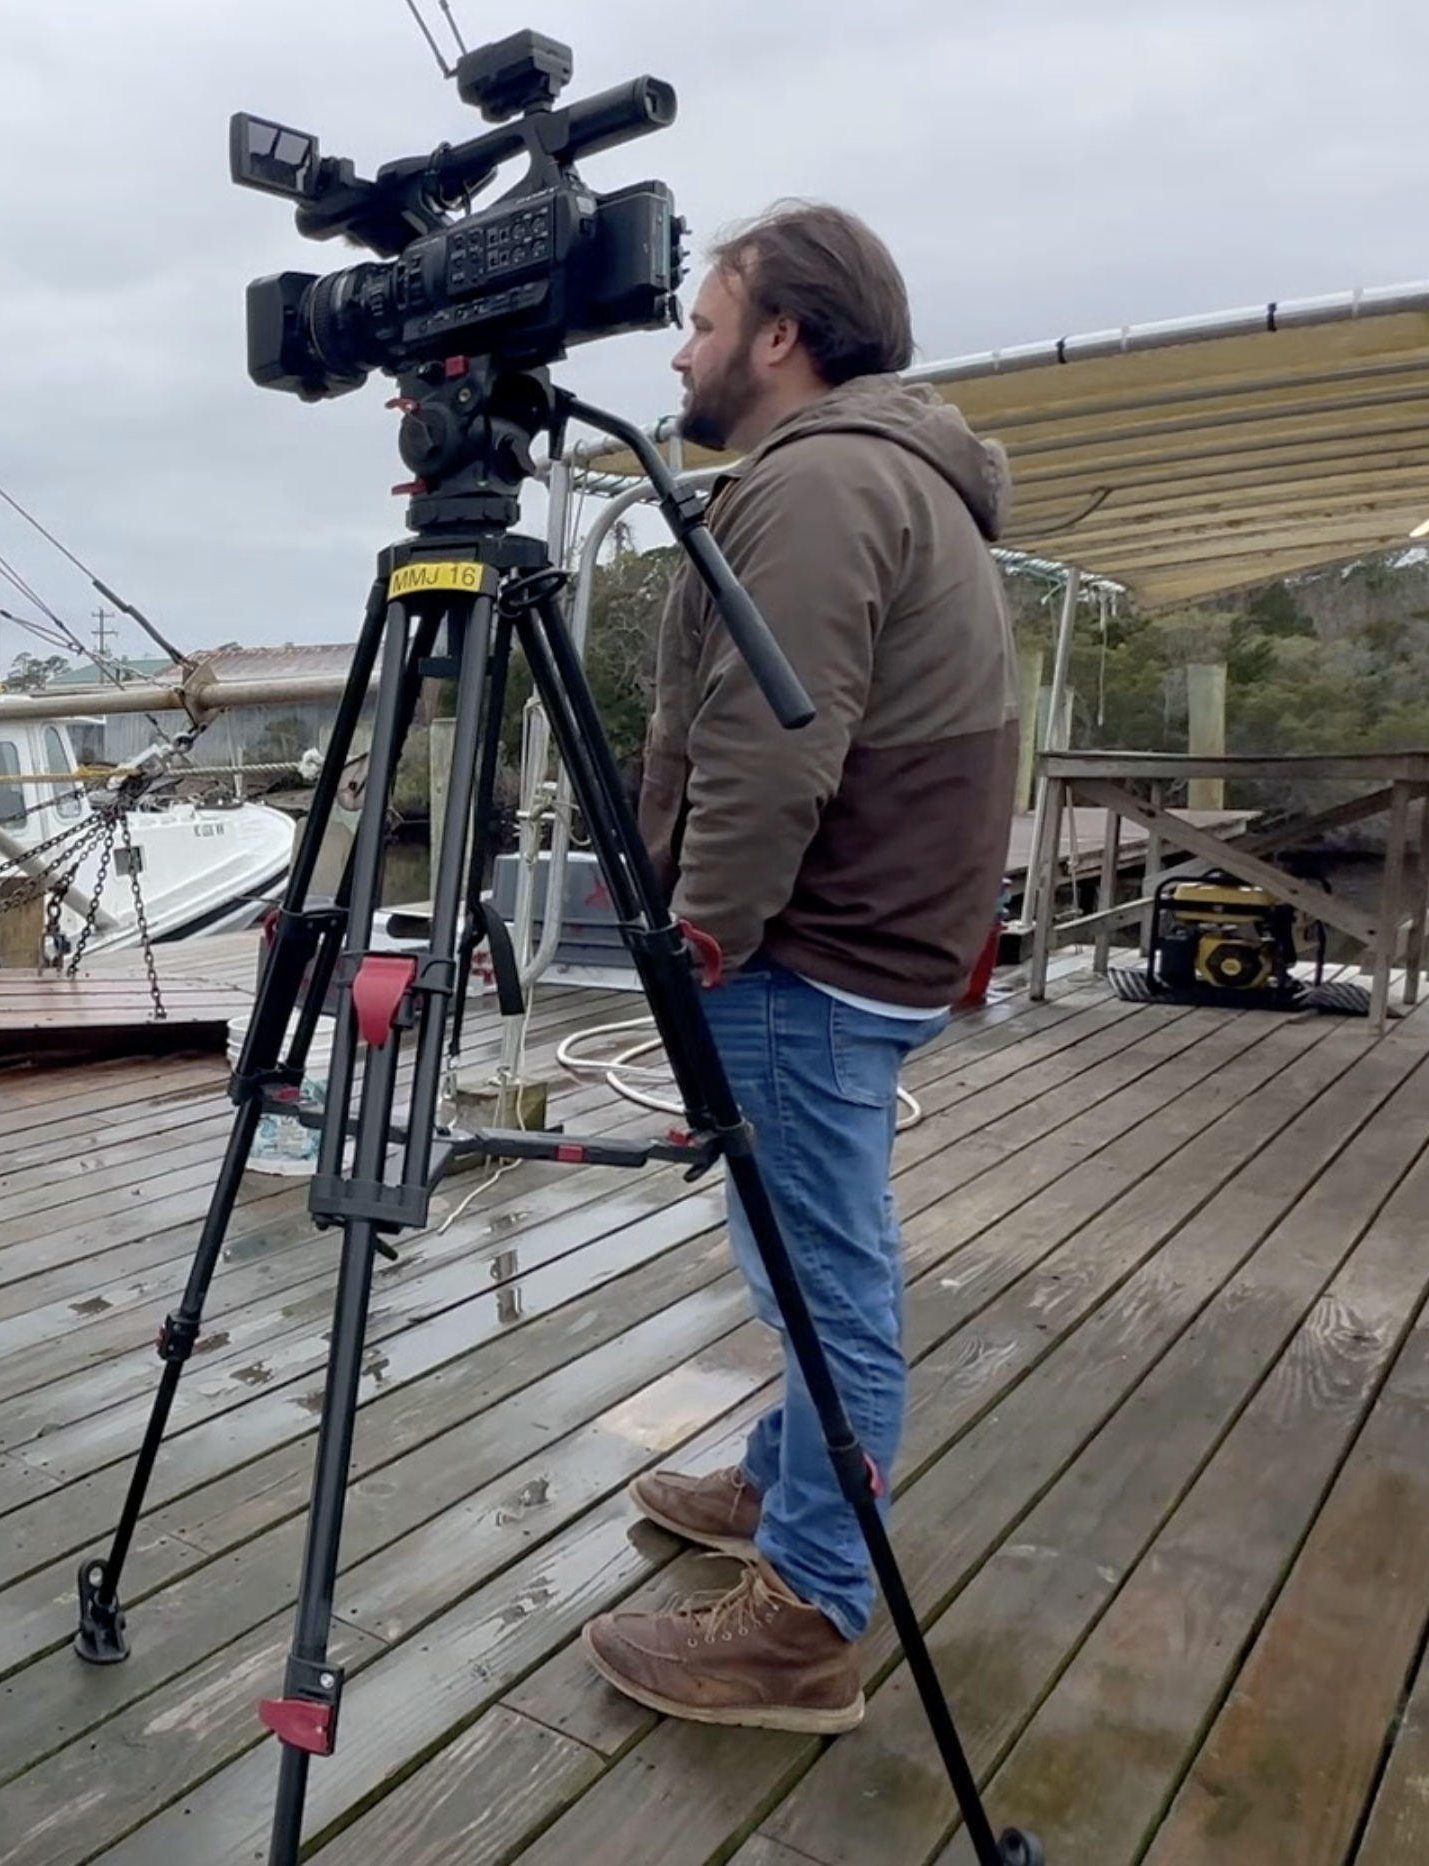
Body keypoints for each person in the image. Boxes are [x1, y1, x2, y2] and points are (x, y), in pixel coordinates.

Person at [577, 202, 1018, 1733]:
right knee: (809, 1256)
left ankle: (812, 1616)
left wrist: (700, 931)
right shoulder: (887, 474)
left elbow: (775, 738)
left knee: (824, 1282)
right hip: (862, 941)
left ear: (782, 334)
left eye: (706, 318)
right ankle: (780, 1489)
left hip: (810, 949)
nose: (684, 347)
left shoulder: (821, 483)